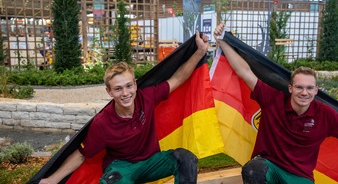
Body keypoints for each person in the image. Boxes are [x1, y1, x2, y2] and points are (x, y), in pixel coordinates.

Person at [39, 30, 209, 184]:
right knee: (113, 181)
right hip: (121, 167)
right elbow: (82, 154)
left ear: (135, 85)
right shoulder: (103, 122)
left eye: (128, 86)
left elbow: (177, 79)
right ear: (109, 92)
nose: (125, 93)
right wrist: (52, 180)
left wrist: (200, 51)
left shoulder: (147, 97)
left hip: (151, 162)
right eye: (118, 89)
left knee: (186, 159)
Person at [213, 23, 338, 184]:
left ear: (316, 90)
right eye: (299, 87)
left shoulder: (326, 114)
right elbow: (244, 72)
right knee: (252, 170)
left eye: (309, 88)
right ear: (290, 88)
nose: (304, 93)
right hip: (270, 167)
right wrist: (222, 40)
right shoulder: (273, 99)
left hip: (300, 177)